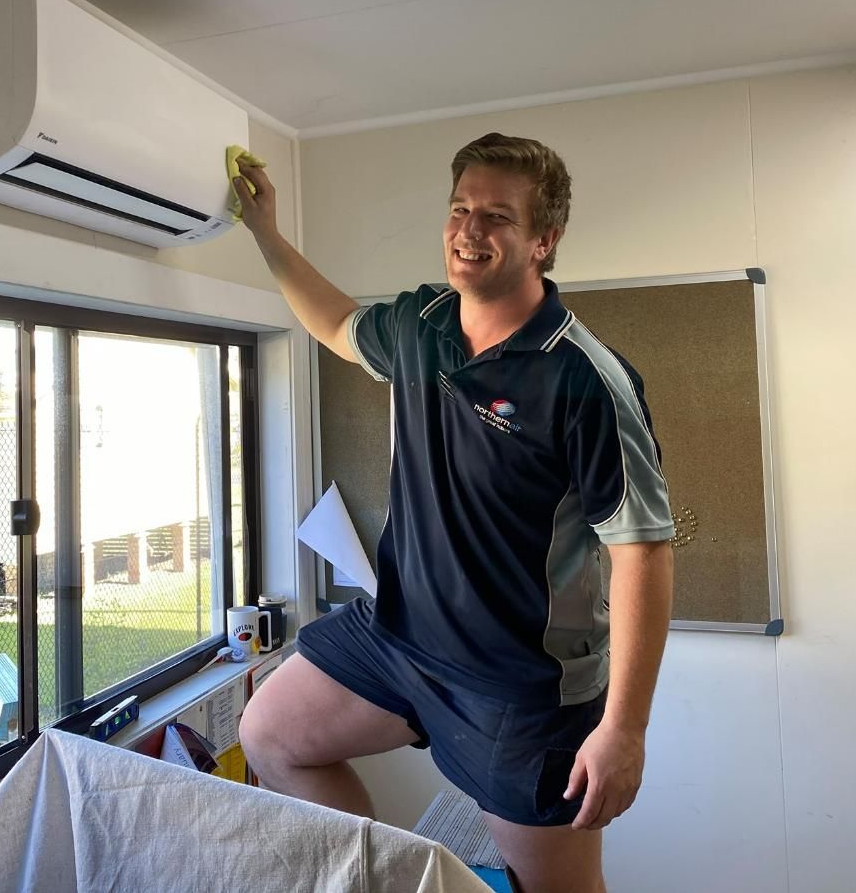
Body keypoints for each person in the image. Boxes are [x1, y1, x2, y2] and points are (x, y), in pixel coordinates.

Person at [236, 133, 675, 893]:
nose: (469, 230)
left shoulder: (585, 380)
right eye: (459, 208)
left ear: (543, 240)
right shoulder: (422, 324)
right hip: (398, 637)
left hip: (517, 688)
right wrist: (266, 233)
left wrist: (623, 731)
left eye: (497, 216)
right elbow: (337, 325)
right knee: (268, 735)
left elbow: (641, 551)